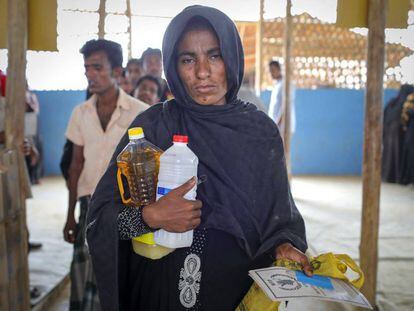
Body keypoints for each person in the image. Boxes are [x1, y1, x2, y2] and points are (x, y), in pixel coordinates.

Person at [87, 6, 310, 311]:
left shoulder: (259, 132)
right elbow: (100, 221)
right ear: (174, 67)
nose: (202, 72)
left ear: (231, 58)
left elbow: (280, 220)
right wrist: (150, 217)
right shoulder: (152, 127)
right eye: (188, 59)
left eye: (215, 56)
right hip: (159, 295)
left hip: (235, 294)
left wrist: (284, 246)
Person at [63, 39, 149, 311]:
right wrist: (70, 215)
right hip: (88, 206)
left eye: (98, 67)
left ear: (117, 71)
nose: (90, 74)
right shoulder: (81, 113)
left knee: (117, 275)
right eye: (87, 67)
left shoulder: (140, 113)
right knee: (83, 274)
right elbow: (76, 166)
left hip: (124, 208)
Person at [382, 84, 414, 184]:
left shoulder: (392, 103)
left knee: (389, 156)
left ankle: (388, 176)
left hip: (388, 135)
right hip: (400, 136)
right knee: (399, 156)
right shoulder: (405, 104)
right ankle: (399, 177)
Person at [267, 60, 296, 138]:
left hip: (282, 126)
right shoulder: (277, 85)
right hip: (276, 126)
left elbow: (287, 105)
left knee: (283, 149)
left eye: (273, 70)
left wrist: (278, 123)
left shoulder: (285, 84)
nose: (271, 73)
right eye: (270, 71)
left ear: (279, 69)